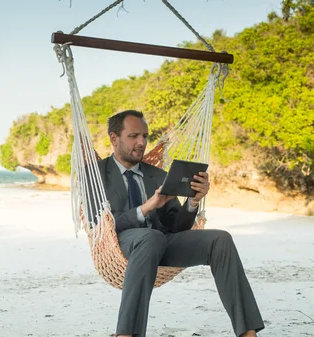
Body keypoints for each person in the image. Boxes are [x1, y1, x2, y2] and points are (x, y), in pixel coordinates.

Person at [98, 110, 264, 337]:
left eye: (145, 136)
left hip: (161, 243)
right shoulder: (96, 175)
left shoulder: (157, 174)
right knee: (151, 237)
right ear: (113, 138)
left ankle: (248, 332)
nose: (141, 143)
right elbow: (99, 224)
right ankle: (126, 334)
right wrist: (147, 207)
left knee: (220, 239)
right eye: (134, 136)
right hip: (121, 244)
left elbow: (177, 225)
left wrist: (193, 201)